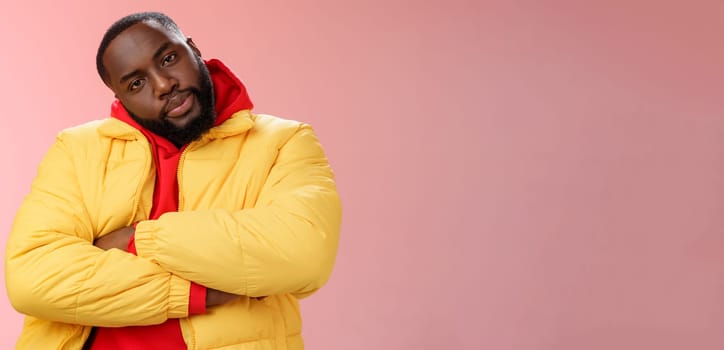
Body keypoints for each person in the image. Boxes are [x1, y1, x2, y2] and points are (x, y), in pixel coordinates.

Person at [5, 11, 341, 349]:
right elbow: (30, 278)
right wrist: (194, 293)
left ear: (193, 50)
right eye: (137, 83)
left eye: (168, 59)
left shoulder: (283, 141)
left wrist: (137, 240)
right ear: (120, 99)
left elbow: (303, 255)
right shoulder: (77, 150)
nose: (164, 84)